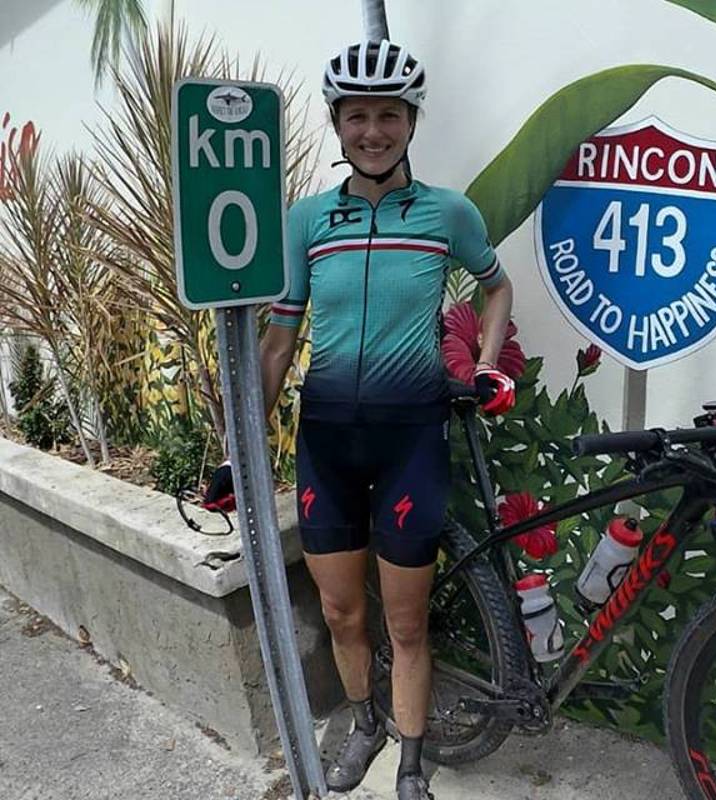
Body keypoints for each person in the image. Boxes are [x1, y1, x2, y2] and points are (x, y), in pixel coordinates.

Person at [205, 38, 516, 800]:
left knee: (407, 625)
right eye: (357, 118)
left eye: (387, 116)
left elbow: (496, 288)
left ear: (410, 122)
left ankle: (411, 765)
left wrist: (485, 361)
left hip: (413, 437)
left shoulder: (449, 212)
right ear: (336, 124)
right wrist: (237, 452)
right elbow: (278, 344)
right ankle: (365, 718)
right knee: (344, 613)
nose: (372, 131)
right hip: (328, 442)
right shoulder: (308, 219)